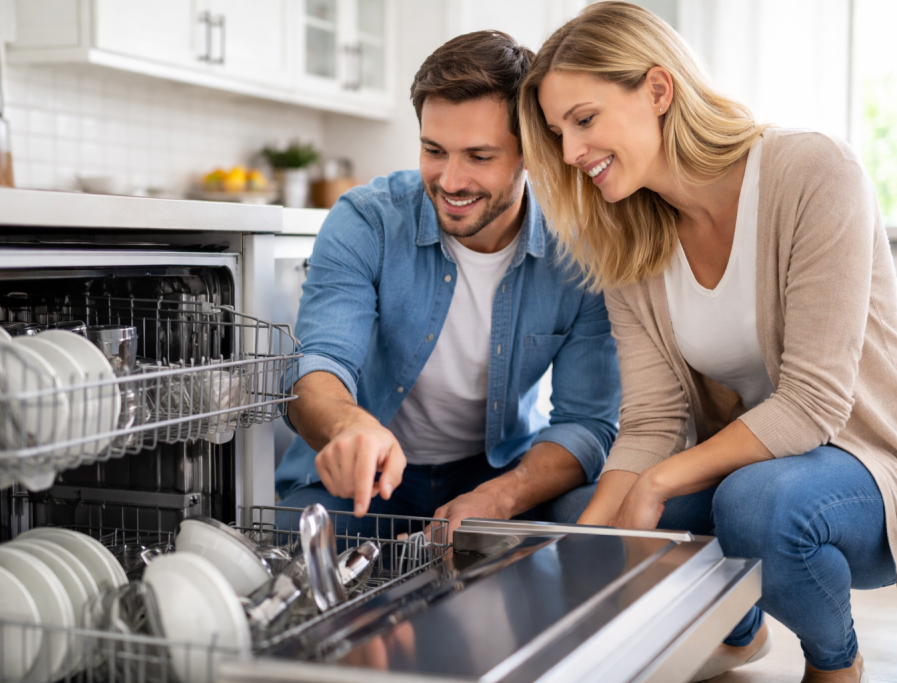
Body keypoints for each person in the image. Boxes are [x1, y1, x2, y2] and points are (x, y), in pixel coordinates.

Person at [518, 3, 897, 682]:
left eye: (585, 120)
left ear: (658, 90)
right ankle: (737, 627)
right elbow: (652, 421)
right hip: (750, 473)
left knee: (751, 504)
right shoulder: (627, 236)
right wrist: (585, 542)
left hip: (863, 469)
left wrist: (659, 481)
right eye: (557, 132)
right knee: (575, 510)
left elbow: (813, 404)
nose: (570, 152)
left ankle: (835, 660)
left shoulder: (813, 170)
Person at [274, 30, 621, 542]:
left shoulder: (580, 252)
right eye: (434, 150)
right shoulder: (367, 221)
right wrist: (351, 427)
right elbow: (317, 365)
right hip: (367, 478)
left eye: (479, 157)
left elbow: (587, 422)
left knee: (590, 518)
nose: (451, 181)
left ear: (531, 153)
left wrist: (500, 496)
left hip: (498, 471)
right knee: (293, 538)